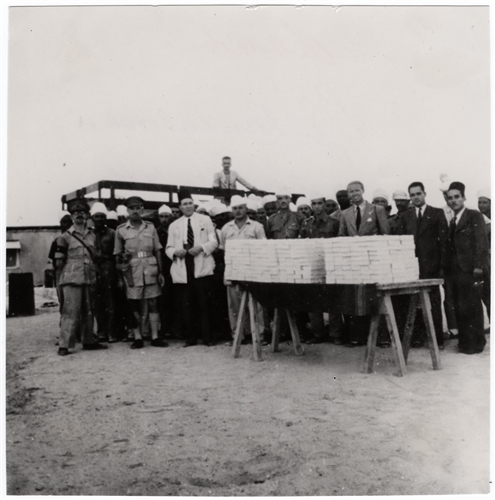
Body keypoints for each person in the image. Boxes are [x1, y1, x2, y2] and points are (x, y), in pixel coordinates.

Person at [396, 182, 448, 349]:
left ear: (424, 194)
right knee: (413, 302)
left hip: (431, 266)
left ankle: (437, 340)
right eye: (412, 195)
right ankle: (417, 338)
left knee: (433, 303)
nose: (416, 197)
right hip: (412, 267)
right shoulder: (406, 216)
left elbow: (444, 243)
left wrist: (441, 267)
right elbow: (402, 243)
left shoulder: (436, 213)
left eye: (418, 193)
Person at [339, 181, 390, 346]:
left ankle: (382, 337)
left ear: (363, 191)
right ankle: (359, 336)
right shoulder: (345, 214)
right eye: (350, 191)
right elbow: (341, 237)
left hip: (374, 260)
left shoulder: (377, 209)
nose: (354, 194)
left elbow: (386, 235)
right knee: (358, 298)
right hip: (355, 262)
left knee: (377, 298)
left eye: (357, 190)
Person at [54, 199, 108, 355]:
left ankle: (88, 340)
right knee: (70, 312)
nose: (79, 215)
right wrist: (62, 281)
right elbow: (59, 262)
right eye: (76, 213)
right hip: (71, 278)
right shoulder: (64, 237)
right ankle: (64, 345)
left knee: (88, 311)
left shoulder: (92, 235)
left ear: (87, 216)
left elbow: (95, 255)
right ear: (71, 217)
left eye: (82, 213)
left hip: (89, 276)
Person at [166, 188, 218, 347]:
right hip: (184, 266)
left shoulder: (205, 220)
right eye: (184, 204)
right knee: (187, 304)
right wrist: (175, 252)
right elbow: (168, 247)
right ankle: (191, 338)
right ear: (180, 207)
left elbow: (214, 242)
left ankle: (207, 338)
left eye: (190, 203)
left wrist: (201, 247)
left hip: (201, 263)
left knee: (204, 303)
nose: (188, 206)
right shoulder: (174, 225)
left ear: (194, 205)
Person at [114, 196, 168, 349]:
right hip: (132, 271)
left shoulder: (150, 227)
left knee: (153, 302)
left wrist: (160, 272)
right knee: (133, 303)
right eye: (132, 208)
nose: (135, 211)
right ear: (128, 210)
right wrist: (120, 277)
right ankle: (137, 337)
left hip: (150, 269)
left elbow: (157, 250)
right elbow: (117, 254)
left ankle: (154, 336)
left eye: (138, 208)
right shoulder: (121, 230)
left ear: (142, 210)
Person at [445, 182, 488, 354]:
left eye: (457, 197)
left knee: (472, 306)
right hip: (457, 271)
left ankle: (476, 344)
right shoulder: (453, 220)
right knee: (460, 306)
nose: (453, 201)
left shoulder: (473, 215)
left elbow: (481, 241)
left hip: (470, 269)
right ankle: (465, 342)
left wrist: (478, 266)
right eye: (450, 198)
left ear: (464, 198)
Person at [221, 195, 267, 343]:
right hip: (233, 270)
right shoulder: (226, 228)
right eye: (235, 208)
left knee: (256, 305)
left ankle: (258, 335)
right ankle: (238, 336)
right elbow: (223, 250)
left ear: (246, 209)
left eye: (241, 208)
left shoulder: (256, 227)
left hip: (253, 270)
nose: (238, 211)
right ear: (231, 210)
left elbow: (263, 248)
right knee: (234, 305)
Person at [300, 193, 343, 345]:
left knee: (333, 300)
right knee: (313, 300)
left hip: (330, 264)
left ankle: (336, 333)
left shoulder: (334, 222)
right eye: (314, 204)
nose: (317, 207)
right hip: (313, 265)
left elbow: (340, 242)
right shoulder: (307, 223)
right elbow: (302, 243)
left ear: (324, 204)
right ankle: (318, 333)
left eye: (319, 203)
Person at [91, 202, 117, 343]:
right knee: (97, 301)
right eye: (97, 216)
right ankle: (102, 331)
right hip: (93, 268)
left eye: (102, 216)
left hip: (108, 268)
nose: (100, 219)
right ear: (92, 218)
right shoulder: (88, 234)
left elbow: (116, 253)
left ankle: (112, 332)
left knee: (110, 300)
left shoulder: (112, 233)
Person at [156, 204, 177, 338]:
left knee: (177, 298)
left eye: (166, 216)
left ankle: (177, 329)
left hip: (177, 267)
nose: (164, 219)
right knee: (164, 300)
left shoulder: (176, 230)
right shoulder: (156, 232)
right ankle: (165, 329)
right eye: (162, 216)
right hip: (164, 269)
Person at [477, 189, 491, 320]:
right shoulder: (478, 218)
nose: (481, 205)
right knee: (486, 293)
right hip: (485, 262)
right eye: (479, 202)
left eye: (485, 202)